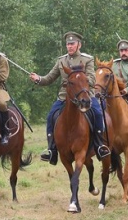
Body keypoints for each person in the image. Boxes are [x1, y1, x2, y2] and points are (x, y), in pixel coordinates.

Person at [29, 31, 110, 165]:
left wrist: (78, 80)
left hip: (85, 96)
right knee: (50, 117)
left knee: (97, 113)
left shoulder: (87, 59)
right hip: (64, 98)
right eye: (68, 44)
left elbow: (91, 78)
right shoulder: (61, 60)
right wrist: (38, 79)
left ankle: (99, 145)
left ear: (79, 45)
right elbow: (49, 78)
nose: (69, 46)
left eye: (72, 44)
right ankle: (51, 149)